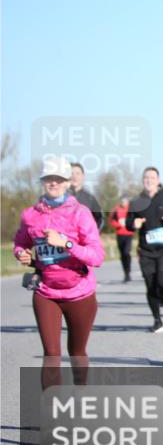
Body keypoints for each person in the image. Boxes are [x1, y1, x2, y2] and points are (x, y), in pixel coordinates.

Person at [12, 156, 105, 388]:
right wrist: (21, 253)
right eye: (48, 179)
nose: (53, 183)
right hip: (46, 292)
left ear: (66, 183)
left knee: (77, 351)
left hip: (80, 293)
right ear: (43, 182)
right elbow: (20, 243)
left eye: (58, 179)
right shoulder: (30, 215)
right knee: (51, 354)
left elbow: (97, 256)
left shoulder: (80, 213)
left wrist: (67, 244)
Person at [127, 167, 163, 333]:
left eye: (152, 177)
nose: (149, 180)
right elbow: (128, 223)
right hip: (145, 251)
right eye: (146, 178)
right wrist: (133, 224)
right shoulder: (137, 202)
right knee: (151, 286)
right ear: (143, 180)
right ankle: (157, 321)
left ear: (158, 180)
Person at [68, 162, 105, 231]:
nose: (74, 176)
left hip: (83, 239)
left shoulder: (90, 199)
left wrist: (92, 235)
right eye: (71, 173)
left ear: (83, 176)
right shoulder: (60, 197)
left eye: (77, 173)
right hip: (63, 239)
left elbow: (100, 219)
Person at [108, 196, 134, 282]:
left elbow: (135, 219)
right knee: (122, 254)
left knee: (127, 252)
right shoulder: (116, 209)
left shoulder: (131, 209)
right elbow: (111, 220)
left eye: (125, 201)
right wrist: (118, 224)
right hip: (120, 234)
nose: (124, 203)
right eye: (122, 201)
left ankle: (128, 271)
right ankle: (126, 273)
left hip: (129, 234)